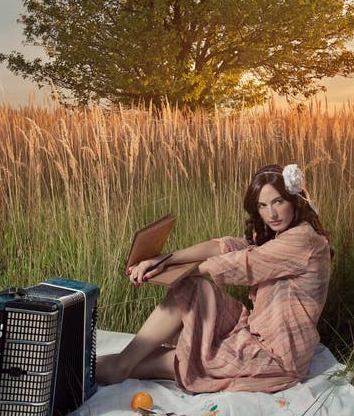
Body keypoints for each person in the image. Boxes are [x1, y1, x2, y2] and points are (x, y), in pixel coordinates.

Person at [96, 164, 332, 393]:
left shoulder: (304, 240)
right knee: (191, 289)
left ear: (293, 200)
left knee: (180, 358)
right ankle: (116, 365)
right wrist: (167, 259)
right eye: (262, 205)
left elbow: (243, 261)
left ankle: (114, 366)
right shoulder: (280, 234)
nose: (271, 213)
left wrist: (171, 267)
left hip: (276, 357)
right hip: (253, 332)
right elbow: (228, 246)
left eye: (278, 202)